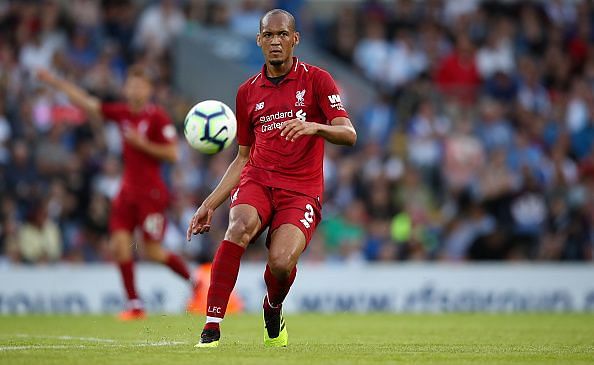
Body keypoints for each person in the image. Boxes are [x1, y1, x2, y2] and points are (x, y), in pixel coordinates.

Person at [187, 9, 357, 348]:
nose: (275, 41)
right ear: (259, 40)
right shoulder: (247, 92)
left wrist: (316, 126)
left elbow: (349, 134)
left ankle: (272, 307)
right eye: (269, 35)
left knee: (280, 263)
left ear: (295, 39)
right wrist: (209, 203)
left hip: (302, 191)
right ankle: (212, 325)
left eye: (282, 35)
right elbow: (242, 157)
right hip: (258, 180)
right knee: (238, 226)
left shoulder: (317, 80)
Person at [37, 65, 196, 320]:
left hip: (152, 195)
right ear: (125, 88)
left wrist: (141, 143)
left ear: (148, 90)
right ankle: (135, 304)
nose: (134, 89)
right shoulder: (122, 113)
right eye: (131, 84)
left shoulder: (157, 117)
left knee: (152, 251)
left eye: (140, 85)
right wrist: (54, 81)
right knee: (119, 246)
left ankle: (195, 283)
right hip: (127, 193)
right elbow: (88, 104)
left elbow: (173, 153)